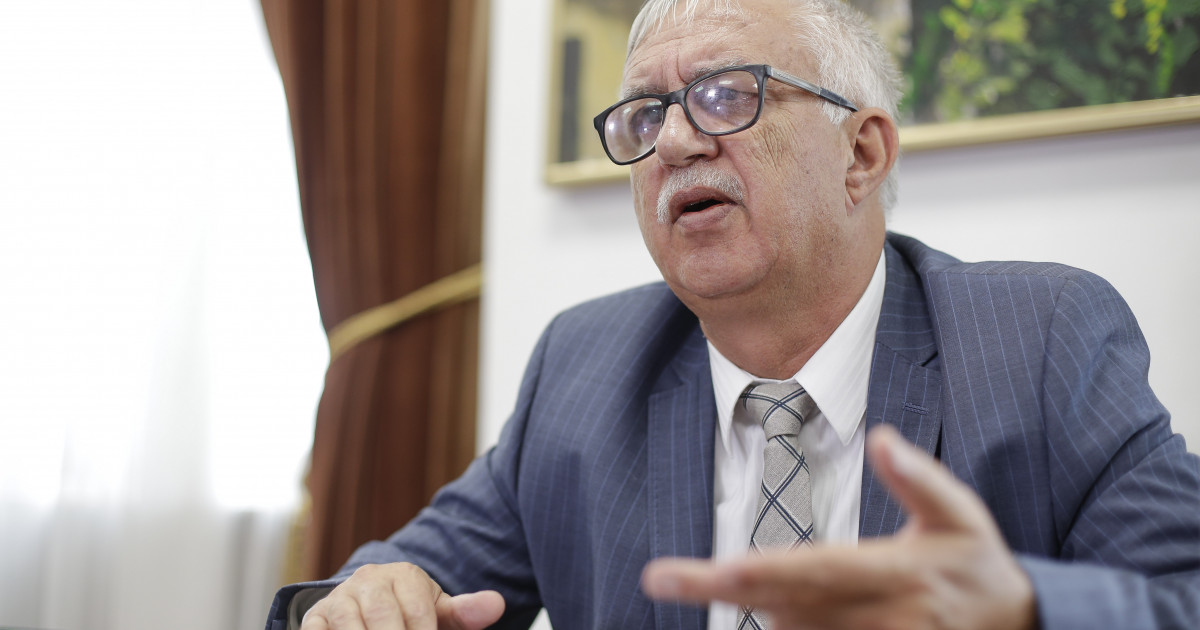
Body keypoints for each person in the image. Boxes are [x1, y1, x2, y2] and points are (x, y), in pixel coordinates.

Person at [265, 0, 1200, 628]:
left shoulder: (1038, 340)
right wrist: (367, 599)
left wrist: (1029, 608)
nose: (673, 141)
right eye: (644, 116)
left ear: (862, 155)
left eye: (725, 96)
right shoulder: (584, 368)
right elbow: (394, 579)